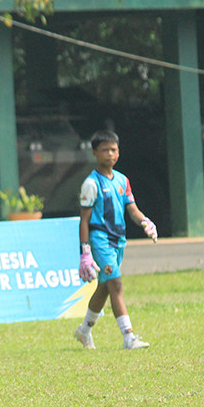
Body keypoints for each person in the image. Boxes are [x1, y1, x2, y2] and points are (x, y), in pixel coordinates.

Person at [75, 129, 158, 350]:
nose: (110, 154)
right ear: (95, 153)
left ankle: (84, 331)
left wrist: (145, 222)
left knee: (105, 287)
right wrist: (85, 253)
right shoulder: (91, 184)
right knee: (116, 284)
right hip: (100, 239)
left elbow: (132, 209)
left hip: (118, 240)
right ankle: (128, 336)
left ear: (119, 153)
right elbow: (84, 220)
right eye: (105, 150)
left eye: (113, 150)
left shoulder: (123, 180)